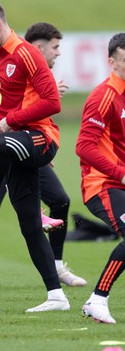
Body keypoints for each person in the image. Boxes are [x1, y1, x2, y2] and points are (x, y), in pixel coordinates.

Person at [0, 22, 86, 291]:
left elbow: (40, 108)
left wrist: (36, 150)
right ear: (39, 48)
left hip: (22, 143)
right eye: (55, 48)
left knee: (59, 201)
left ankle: (55, 271)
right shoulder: (15, 61)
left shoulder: (28, 67)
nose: (58, 53)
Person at [76, 32, 125, 324]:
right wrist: (121, 173)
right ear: (111, 61)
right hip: (103, 185)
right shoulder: (103, 95)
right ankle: (97, 299)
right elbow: (83, 146)